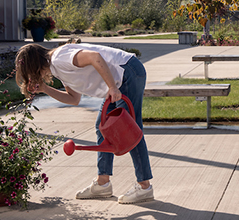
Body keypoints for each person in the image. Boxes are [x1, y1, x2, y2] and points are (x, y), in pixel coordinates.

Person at [15, 40, 154, 204]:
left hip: (127, 72)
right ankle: (103, 183)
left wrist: (112, 87)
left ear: (34, 66)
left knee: (129, 130)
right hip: (120, 79)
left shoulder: (60, 58)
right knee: (102, 127)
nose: (30, 77)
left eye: (28, 73)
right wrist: (45, 89)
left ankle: (144, 187)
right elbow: (73, 99)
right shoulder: (57, 68)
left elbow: (95, 57)